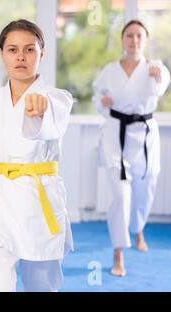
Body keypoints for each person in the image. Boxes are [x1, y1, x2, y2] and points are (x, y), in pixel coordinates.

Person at [0, 19, 73, 292]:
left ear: (42, 53)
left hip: (35, 203)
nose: (21, 57)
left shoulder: (57, 98)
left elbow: (43, 125)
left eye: (29, 50)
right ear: (2, 53)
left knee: (40, 286)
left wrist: (39, 111)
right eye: (12, 50)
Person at [92, 20, 170, 277]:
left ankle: (138, 228)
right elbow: (97, 96)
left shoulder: (155, 67)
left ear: (145, 40)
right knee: (120, 195)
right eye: (129, 35)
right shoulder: (109, 70)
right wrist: (102, 102)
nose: (134, 40)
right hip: (116, 134)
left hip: (145, 137)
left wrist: (157, 78)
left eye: (139, 36)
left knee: (144, 190)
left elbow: (159, 89)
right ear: (123, 39)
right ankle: (119, 253)